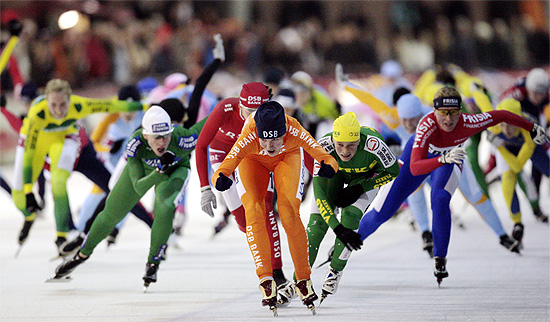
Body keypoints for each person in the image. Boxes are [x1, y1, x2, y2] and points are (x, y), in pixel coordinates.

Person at [357, 86, 547, 286]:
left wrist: (531, 127)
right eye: (443, 115)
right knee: (386, 210)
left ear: (460, 112)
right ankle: (355, 239)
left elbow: (500, 115)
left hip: (449, 159)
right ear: (432, 112)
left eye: (454, 114)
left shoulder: (468, 121)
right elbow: (414, 166)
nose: (448, 120)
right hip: (420, 159)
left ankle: (442, 257)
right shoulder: (420, 124)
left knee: (443, 200)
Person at [52, 105, 208, 289]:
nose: (163, 142)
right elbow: (138, 185)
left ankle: (153, 262)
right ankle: (82, 255)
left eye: (166, 135)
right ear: (145, 135)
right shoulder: (135, 144)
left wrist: (233, 105)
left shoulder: (182, 138)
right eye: (157, 137)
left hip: (175, 170)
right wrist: (158, 169)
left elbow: (211, 123)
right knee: (110, 214)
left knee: (164, 207)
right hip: (145, 171)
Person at [212, 101, 338, 314]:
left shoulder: (294, 128)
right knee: (253, 210)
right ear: (257, 133)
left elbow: (321, 154)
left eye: (276, 139)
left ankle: (303, 278)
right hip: (252, 160)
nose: (270, 145)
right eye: (266, 139)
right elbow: (228, 163)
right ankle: (265, 278)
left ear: (284, 132)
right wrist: (219, 178)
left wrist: (329, 166)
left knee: (289, 212)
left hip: (287, 157)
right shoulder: (250, 134)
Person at [11, 79, 143, 252]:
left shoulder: (79, 105)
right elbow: (29, 155)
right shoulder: (37, 114)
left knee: (58, 182)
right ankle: (29, 217)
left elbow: (111, 105)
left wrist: (150, 106)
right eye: (54, 105)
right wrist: (28, 191)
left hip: (64, 138)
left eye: (63, 105)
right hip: (36, 143)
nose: (59, 110)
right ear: (47, 101)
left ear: (70, 100)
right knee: (19, 198)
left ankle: (62, 236)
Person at [195, 82, 294, 294]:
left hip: (251, 156)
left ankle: (276, 272)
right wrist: (205, 188)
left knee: (265, 209)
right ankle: (263, 260)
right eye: (249, 112)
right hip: (223, 154)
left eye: (259, 113)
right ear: (240, 107)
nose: (253, 119)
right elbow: (201, 145)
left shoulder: (274, 116)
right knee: (245, 222)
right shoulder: (225, 109)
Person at [306, 112, 400, 303]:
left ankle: (335, 271)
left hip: (364, 178)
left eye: (351, 145)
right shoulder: (322, 147)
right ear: (333, 141)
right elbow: (320, 195)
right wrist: (336, 228)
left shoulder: (373, 144)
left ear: (359, 141)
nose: (345, 151)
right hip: (336, 175)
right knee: (315, 227)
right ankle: (300, 278)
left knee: (350, 216)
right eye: (340, 145)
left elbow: (393, 170)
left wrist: (362, 187)